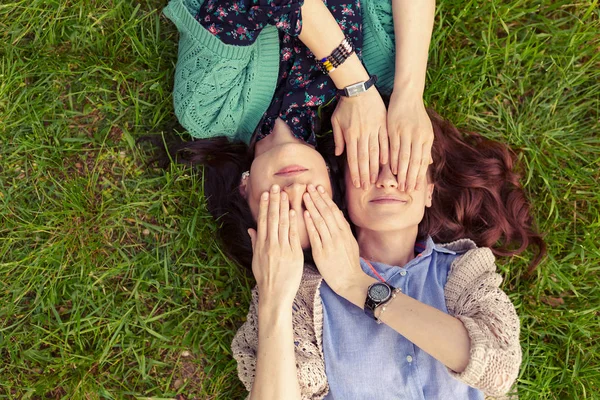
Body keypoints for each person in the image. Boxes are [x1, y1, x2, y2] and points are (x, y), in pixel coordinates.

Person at [230, 109, 546, 399]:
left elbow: (499, 366)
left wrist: (357, 284)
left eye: (405, 162)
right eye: (366, 163)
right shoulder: (300, 294)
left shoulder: (462, 273)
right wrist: (274, 299)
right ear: (342, 188)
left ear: (429, 190)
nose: (387, 178)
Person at [159, 0, 437, 267]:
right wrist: (409, 95)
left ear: (244, 191)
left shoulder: (208, 109)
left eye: (280, 207)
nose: (294, 189)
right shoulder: (379, 78)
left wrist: (356, 86)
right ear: (332, 184)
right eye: (311, 204)